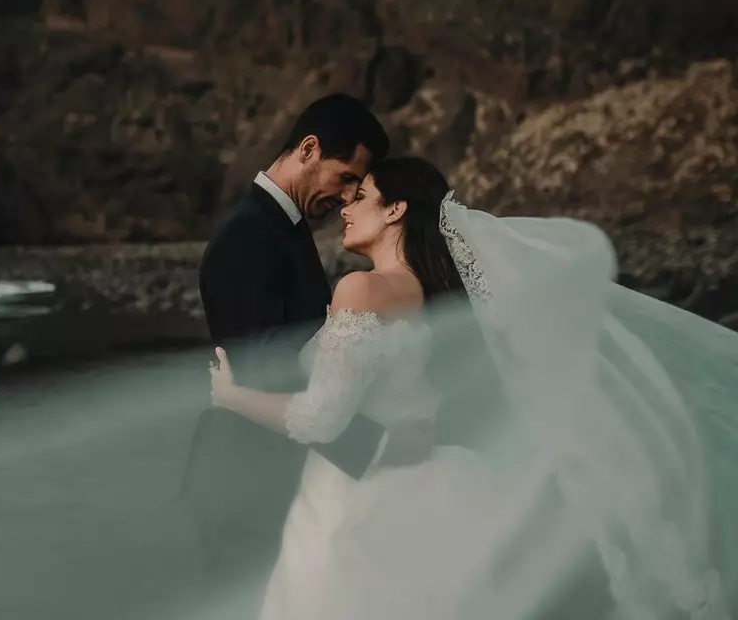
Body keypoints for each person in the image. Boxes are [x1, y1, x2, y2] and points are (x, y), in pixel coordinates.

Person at [207, 155, 733, 619]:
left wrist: (233, 396)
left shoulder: (360, 289)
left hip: (355, 507)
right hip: (432, 485)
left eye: (361, 196)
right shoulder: (433, 299)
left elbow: (321, 418)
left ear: (396, 211)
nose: (346, 206)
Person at [180, 93, 409, 605]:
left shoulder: (283, 229)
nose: (349, 196)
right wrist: (378, 446)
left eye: (358, 185)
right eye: (346, 177)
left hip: (277, 483)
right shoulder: (249, 237)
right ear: (308, 149)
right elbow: (263, 374)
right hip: (243, 489)